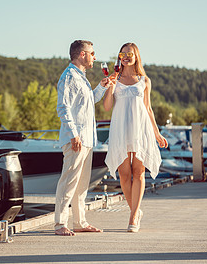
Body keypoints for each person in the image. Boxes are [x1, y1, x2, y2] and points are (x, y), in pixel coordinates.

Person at [103, 42, 168, 233]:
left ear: (136, 56)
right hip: (120, 130)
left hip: (141, 130)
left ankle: (132, 218)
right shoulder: (115, 78)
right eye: (123, 53)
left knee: (138, 172)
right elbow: (107, 107)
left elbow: (148, 109)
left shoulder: (144, 80)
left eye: (129, 53)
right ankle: (136, 210)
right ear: (119, 57)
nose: (126, 56)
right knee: (124, 173)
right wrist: (110, 85)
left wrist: (157, 134)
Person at [55, 40, 112, 236]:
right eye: (92, 53)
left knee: (81, 185)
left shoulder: (82, 78)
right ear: (82, 55)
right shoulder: (69, 76)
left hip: (87, 139)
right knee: (69, 182)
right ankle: (60, 224)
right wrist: (73, 135)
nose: (94, 57)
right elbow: (63, 108)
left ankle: (80, 222)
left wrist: (102, 87)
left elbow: (89, 102)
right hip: (76, 139)